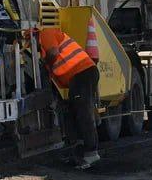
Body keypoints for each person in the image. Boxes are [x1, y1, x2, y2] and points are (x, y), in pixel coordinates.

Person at [34, 26, 101, 169]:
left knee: (83, 114)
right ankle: (81, 151)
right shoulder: (45, 38)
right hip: (79, 76)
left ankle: (91, 153)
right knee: (75, 113)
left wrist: (45, 64)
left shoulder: (45, 33)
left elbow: (53, 53)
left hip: (82, 73)